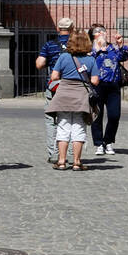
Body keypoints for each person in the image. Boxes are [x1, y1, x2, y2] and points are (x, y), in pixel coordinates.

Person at [46, 29, 99, 171]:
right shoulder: (91, 60)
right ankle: (76, 162)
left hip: (63, 94)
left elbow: (54, 76)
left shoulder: (63, 57)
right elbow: (95, 81)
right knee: (79, 127)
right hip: (81, 96)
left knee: (63, 127)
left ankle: (62, 161)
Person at [35, 16, 74, 164]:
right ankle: (70, 153)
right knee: (70, 120)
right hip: (72, 87)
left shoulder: (50, 45)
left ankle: (53, 153)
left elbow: (39, 64)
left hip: (54, 87)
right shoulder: (76, 45)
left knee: (51, 120)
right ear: (72, 29)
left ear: (58, 29)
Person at [88, 26, 128, 156]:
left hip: (113, 85)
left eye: (103, 31)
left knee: (114, 115)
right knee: (97, 116)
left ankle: (109, 141)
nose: (101, 33)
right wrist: (98, 50)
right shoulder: (90, 49)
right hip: (97, 85)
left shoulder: (112, 48)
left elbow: (123, 56)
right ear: (93, 35)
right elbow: (88, 62)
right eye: (97, 31)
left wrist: (121, 44)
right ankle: (99, 143)